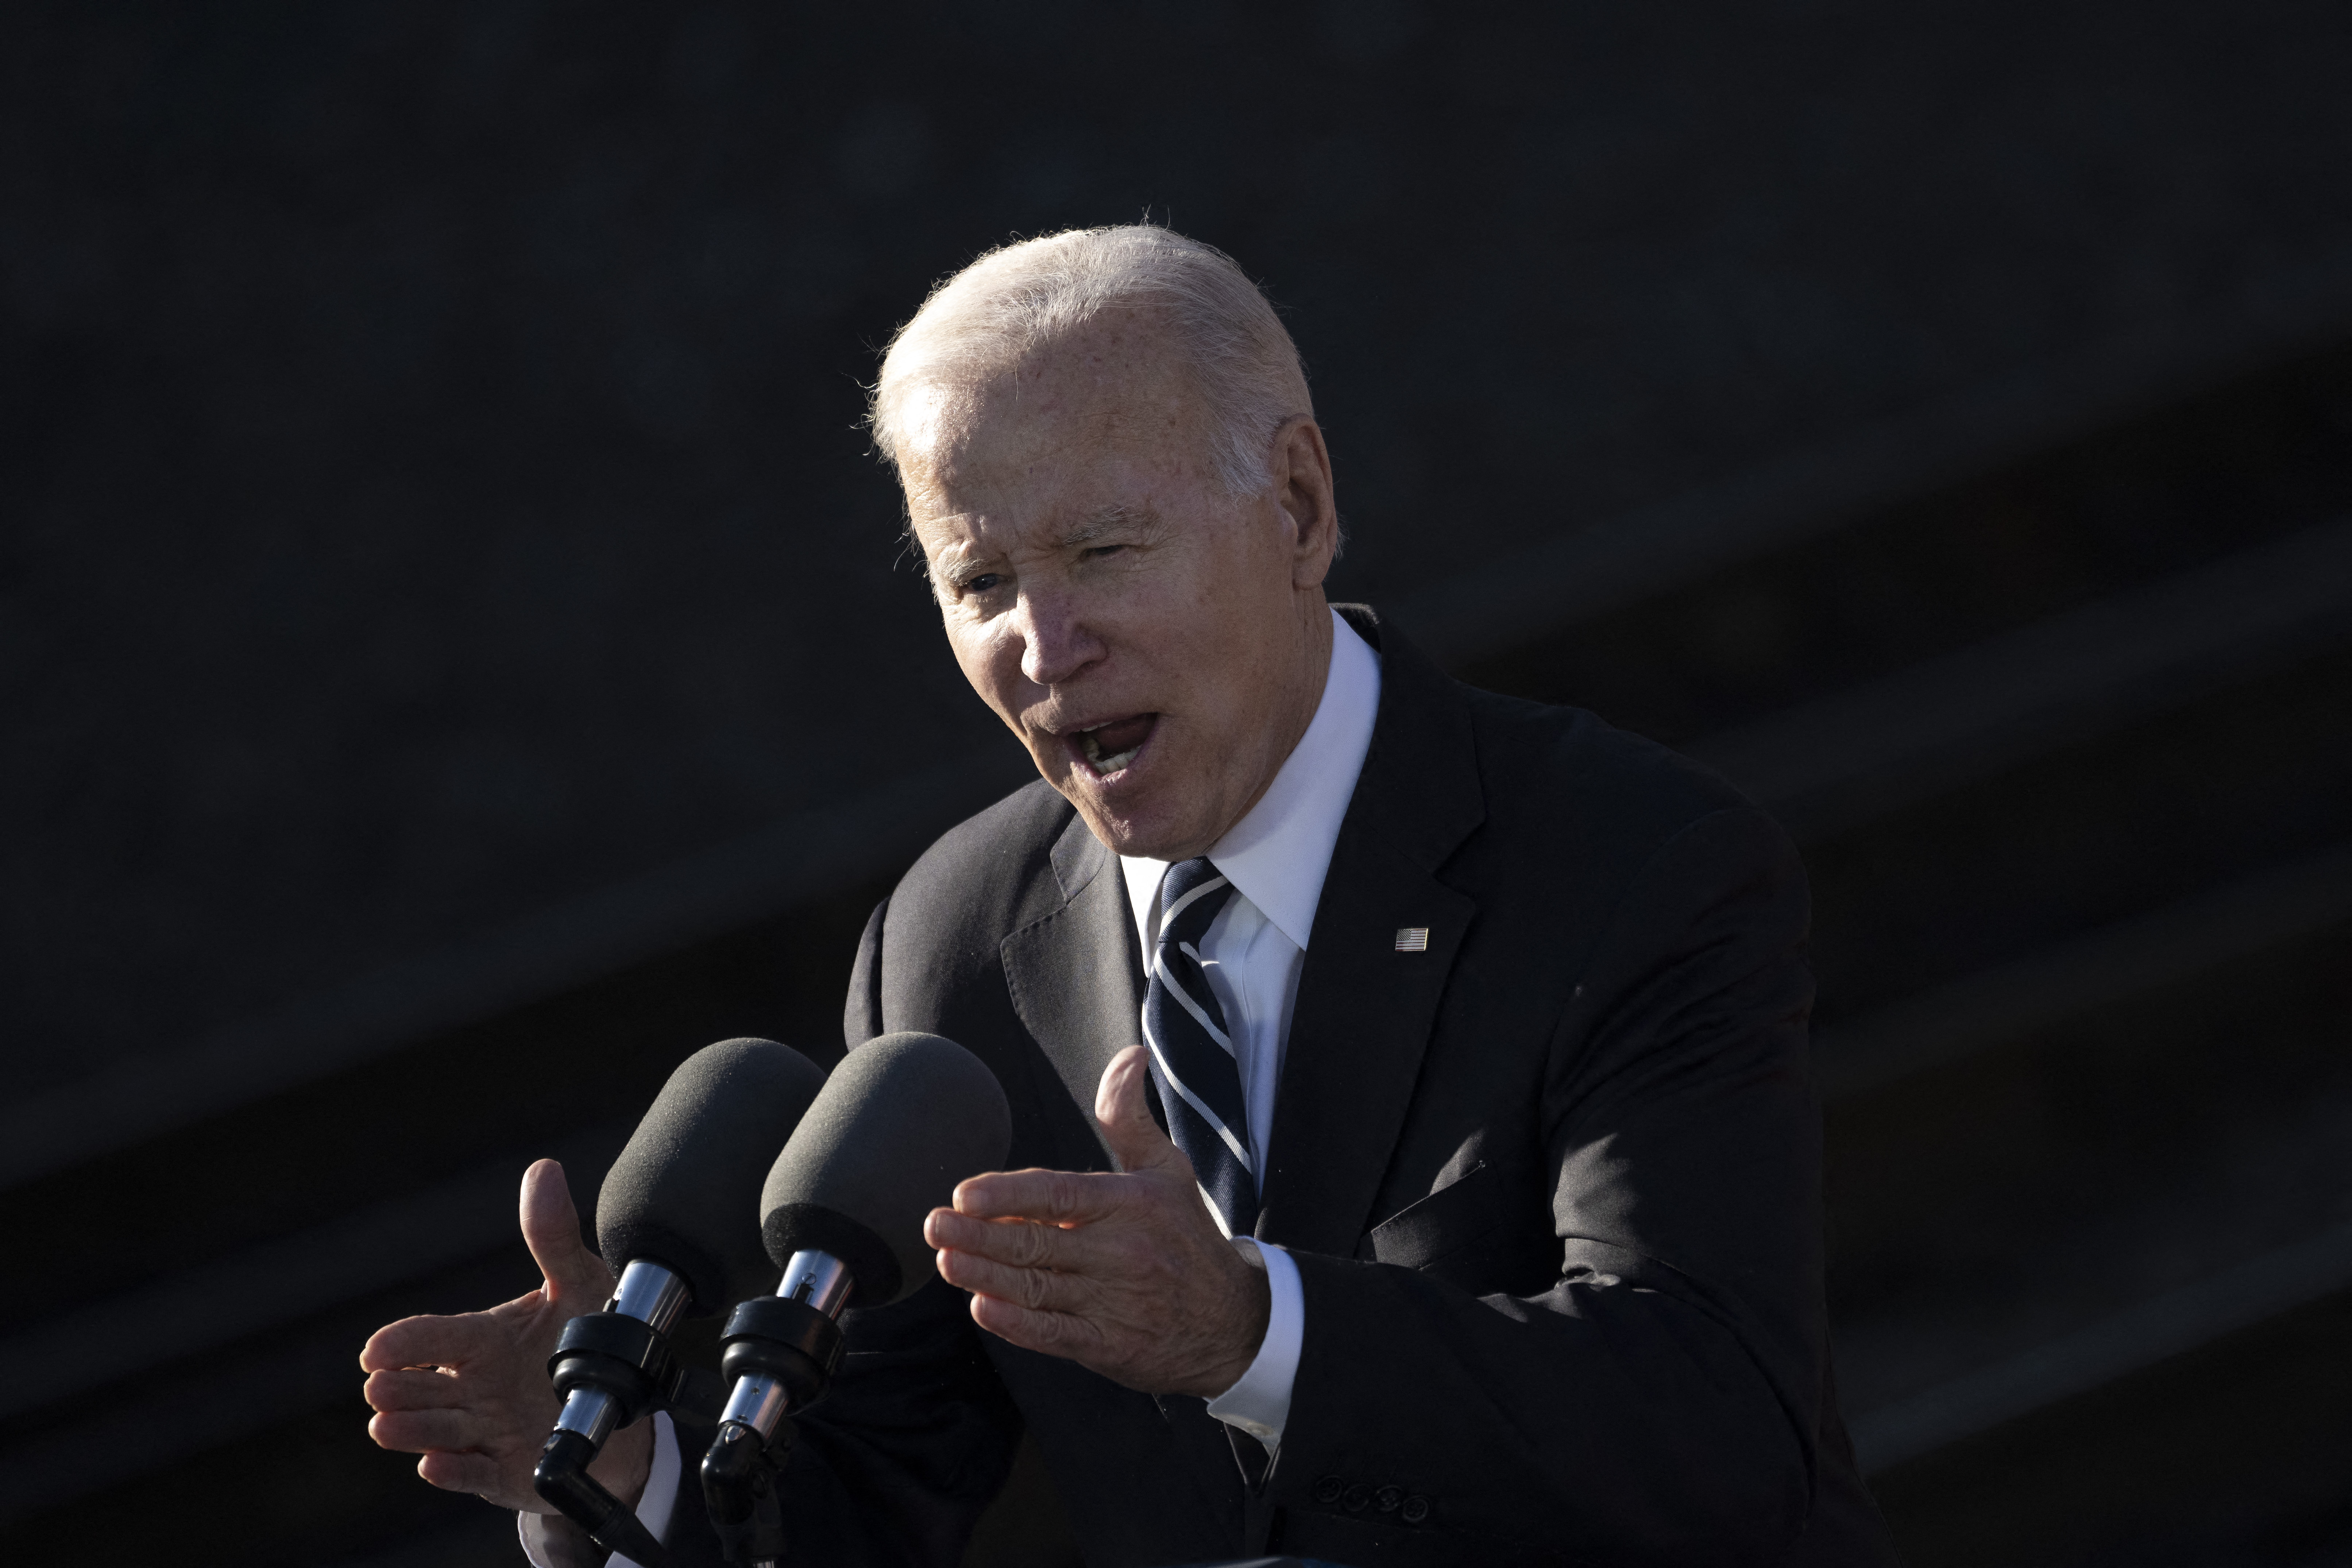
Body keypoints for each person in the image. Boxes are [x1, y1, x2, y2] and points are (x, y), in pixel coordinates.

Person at [362, 225, 1903, 1567]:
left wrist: (1253, 1329)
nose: (1044, 640)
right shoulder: (953, 944)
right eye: (978, 583)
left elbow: (1718, 1423)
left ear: (1297, 506)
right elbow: (856, 1512)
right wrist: (619, 1455)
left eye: (1102, 549)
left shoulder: (1631, 858)